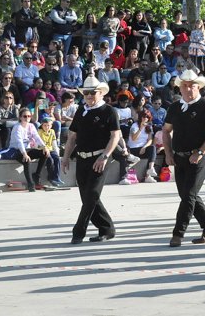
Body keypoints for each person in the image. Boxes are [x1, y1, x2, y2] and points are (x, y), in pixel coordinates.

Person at [162, 69, 205, 247]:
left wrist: (201, 152)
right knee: (188, 195)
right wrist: (168, 153)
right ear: (180, 88)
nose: (188, 89)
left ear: (199, 87)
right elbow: (166, 131)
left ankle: (178, 233)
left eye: (192, 86)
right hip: (179, 157)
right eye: (185, 86)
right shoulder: (174, 107)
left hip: (199, 156)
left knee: (188, 195)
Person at [61, 77, 122, 243]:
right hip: (82, 158)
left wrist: (105, 156)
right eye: (86, 92)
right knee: (88, 197)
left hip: (100, 157)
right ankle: (107, 228)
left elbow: (115, 136)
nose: (89, 95)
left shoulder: (109, 111)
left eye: (92, 92)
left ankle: (78, 232)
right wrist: (65, 157)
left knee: (91, 195)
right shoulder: (81, 111)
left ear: (101, 93)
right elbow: (72, 137)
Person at [121, 108, 158, 183]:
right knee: (151, 150)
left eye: (147, 117)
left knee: (153, 148)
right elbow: (134, 138)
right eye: (144, 117)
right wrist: (140, 128)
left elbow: (150, 140)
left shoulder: (149, 126)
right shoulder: (134, 126)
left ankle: (149, 172)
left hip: (142, 149)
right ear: (140, 117)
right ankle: (148, 174)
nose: (145, 118)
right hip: (133, 149)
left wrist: (144, 147)